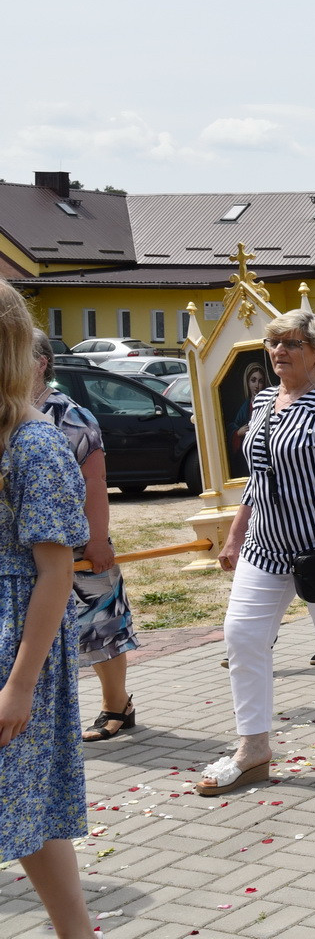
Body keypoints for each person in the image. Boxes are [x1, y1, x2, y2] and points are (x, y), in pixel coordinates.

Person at [207, 308, 315, 794]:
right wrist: (236, 533)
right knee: (242, 637)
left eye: (291, 343)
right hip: (265, 545)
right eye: (274, 343)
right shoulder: (263, 401)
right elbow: (257, 478)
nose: (279, 351)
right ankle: (253, 746)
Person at [0, 284, 95, 939]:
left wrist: (21, 684)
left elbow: (57, 574)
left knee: (24, 799)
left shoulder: (35, 446)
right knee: (21, 802)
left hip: (16, 642)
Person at [30, 333, 138, 742]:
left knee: (99, 624)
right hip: (26, 542)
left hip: (74, 540)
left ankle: (117, 705)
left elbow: (95, 481)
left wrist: (98, 540)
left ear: (41, 363)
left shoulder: (70, 415)